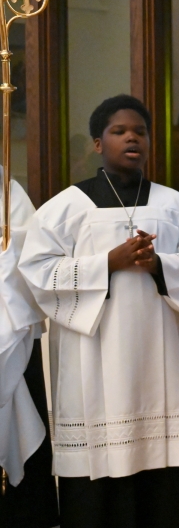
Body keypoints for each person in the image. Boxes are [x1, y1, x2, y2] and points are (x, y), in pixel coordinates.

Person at [18, 94, 179, 527]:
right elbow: (36, 271)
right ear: (97, 143)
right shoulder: (66, 208)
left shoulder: (174, 205)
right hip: (93, 355)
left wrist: (160, 265)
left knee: (158, 483)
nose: (132, 137)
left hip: (153, 356)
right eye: (119, 131)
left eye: (140, 131)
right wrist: (107, 263)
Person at [0, 171, 59, 527]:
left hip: (5, 313)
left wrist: (6, 248)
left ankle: (26, 513)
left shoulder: (5, 188)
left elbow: (26, 239)